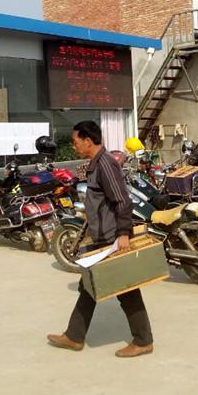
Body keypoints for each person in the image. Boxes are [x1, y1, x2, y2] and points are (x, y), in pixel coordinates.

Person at [47, 120, 154, 357]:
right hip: (101, 236)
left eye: (75, 141)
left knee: (126, 289)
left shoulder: (105, 164)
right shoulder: (97, 164)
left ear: (88, 140)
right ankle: (74, 336)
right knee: (89, 286)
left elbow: (122, 200)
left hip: (111, 237)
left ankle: (143, 340)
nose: (74, 146)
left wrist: (123, 233)